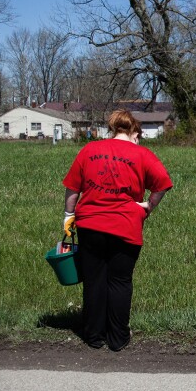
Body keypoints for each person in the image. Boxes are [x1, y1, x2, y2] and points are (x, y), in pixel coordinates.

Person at [62, 110, 172, 351]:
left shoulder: (89, 150)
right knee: (120, 281)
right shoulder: (142, 153)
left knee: (94, 280)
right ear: (134, 132)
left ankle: (94, 335)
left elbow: (72, 188)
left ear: (113, 129)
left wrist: (69, 216)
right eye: (138, 136)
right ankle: (118, 337)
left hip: (90, 224)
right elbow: (163, 183)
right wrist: (149, 206)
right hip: (126, 225)